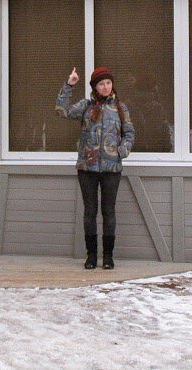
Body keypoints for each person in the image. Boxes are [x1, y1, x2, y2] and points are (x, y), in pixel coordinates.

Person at [55, 66, 135, 270]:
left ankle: (108, 257)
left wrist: (122, 151)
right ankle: (91, 256)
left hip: (111, 168)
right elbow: (61, 110)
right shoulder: (86, 106)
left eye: (108, 83)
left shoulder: (120, 107)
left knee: (109, 211)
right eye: (101, 84)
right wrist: (69, 85)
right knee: (90, 211)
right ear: (95, 87)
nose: (106, 87)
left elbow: (129, 133)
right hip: (87, 168)